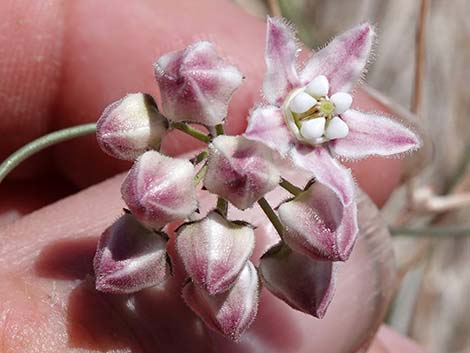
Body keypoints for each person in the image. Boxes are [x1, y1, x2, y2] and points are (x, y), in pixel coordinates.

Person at [0, 0, 424, 352]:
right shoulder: (256, 133)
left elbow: (255, 158)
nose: (319, 111)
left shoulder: (270, 147)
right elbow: (248, 144)